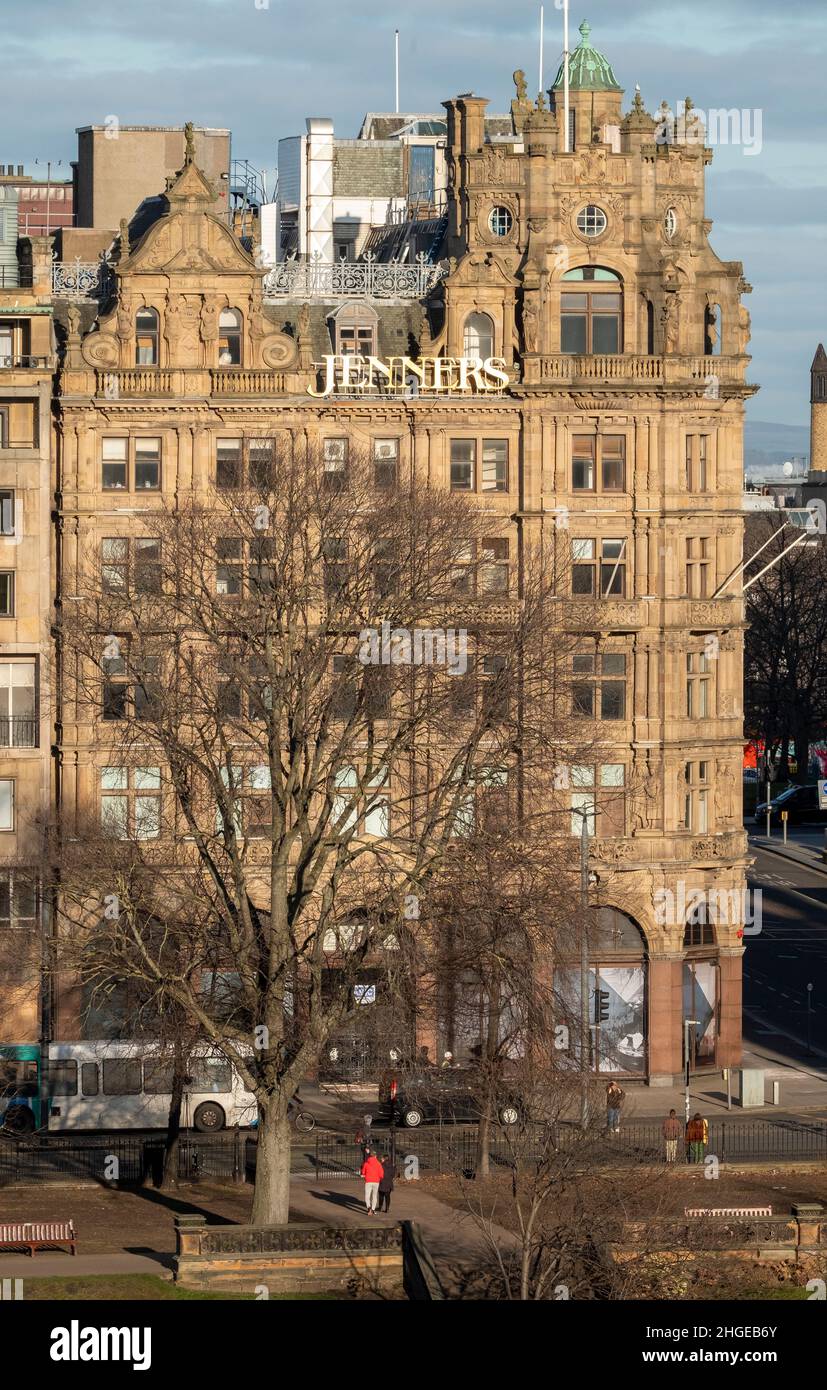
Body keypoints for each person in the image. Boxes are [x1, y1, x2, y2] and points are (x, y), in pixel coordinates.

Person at [361, 1148, 384, 1215]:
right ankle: (373, 1209)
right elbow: (381, 1174)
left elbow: (363, 1172)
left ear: (370, 1156)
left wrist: (364, 1175)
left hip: (368, 1181)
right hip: (376, 1181)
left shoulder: (366, 1163)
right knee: (374, 1196)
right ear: (375, 1156)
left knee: (367, 1196)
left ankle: (369, 1208)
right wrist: (379, 1177)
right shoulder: (378, 1164)